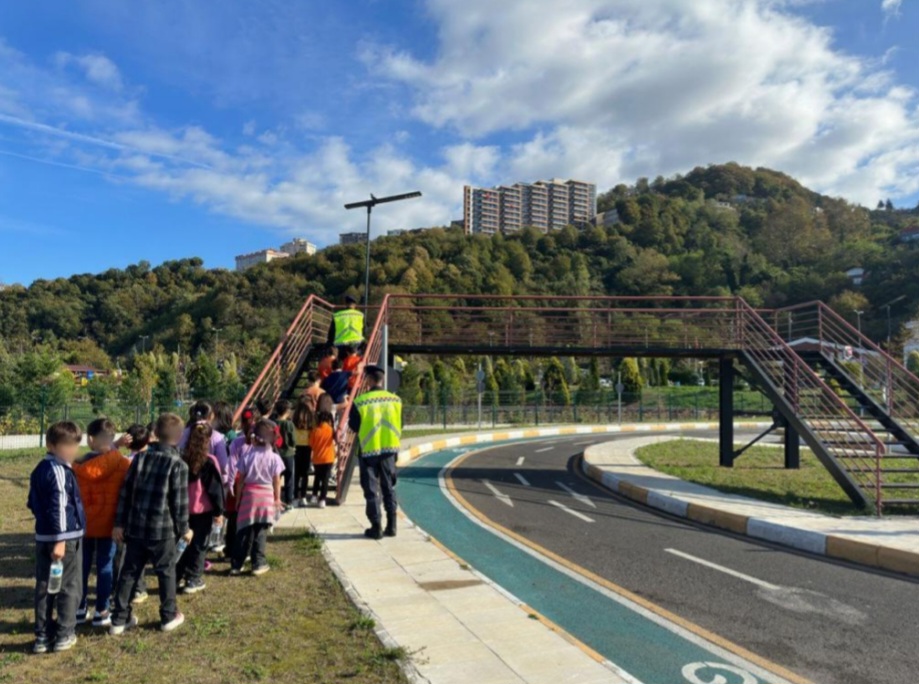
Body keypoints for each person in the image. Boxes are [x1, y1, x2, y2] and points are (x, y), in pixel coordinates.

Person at [110, 413, 191, 635]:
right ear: (179, 436)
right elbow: (180, 503)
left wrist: (119, 523)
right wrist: (185, 529)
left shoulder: (140, 459)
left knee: (129, 572)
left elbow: (125, 493)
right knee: (166, 572)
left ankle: (118, 619)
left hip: (135, 527)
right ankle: (168, 616)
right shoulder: (178, 465)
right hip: (162, 531)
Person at [27, 421, 86, 654]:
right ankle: (63, 634)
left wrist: (45, 530)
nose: (72, 451)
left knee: (45, 586)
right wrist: (59, 540)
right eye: (67, 446)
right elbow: (59, 508)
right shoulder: (59, 471)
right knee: (68, 587)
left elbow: (32, 502)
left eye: (75, 445)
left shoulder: (39, 469)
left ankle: (42, 636)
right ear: (51, 445)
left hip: (44, 537)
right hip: (65, 540)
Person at [72, 418, 132, 628]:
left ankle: (79, 608)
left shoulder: (77, 465)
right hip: (110, 525)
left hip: (84, 524)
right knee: (106, 566)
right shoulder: (123, 463)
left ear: (90, 439)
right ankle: (102, 610)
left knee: (82, 566)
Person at [349, 366, 402, 540]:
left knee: (371, 490)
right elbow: (401, 424)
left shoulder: (360, 402)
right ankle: (392, 526)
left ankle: (376, 526)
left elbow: (354, 426)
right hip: (389, 451)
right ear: (382, 380)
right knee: (389, 487)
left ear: (369, 380)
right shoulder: (395, 400)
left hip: (368, 452)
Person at [231, 419, 284, 576]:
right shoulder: (275, 459)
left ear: (254, 437)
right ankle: (258, 562)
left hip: (249, 496)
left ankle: (237, 564)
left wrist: (238, 499)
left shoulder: (247, 457)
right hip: (266, 496)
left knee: (243, 531)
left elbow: (240, 481)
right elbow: (277, 481)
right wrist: (277, 498)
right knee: (260, 531)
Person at [176, 421, 224, 594]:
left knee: (181, 543)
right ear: (208, 440)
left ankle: (175, 577)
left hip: (181, 510)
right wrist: (219, 512)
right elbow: (215, 490)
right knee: (199, 546)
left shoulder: (180, 458)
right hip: (202, 511)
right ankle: (193, 579)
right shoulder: (209, 462)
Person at [116, 424, 151, 605]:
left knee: (126, 555)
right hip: (145, 515)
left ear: (128, 442)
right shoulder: (155, 460)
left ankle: (128, 588)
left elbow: (105, 456)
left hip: (126, 513)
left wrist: (116, 444)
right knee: (138, 554)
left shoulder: (125, 461)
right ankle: (139, 588)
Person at [225, 407, 261, 560]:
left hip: (237, 483)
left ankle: (230, 550)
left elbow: (231, 464)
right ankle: (247, 550)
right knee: (251, 520)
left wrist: (230, 483)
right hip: (254, 484)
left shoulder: (236, 442)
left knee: (233, 519)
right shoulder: (260, 444)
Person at [178, 401, 229, 480]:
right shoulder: (217, 437)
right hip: (209, 483)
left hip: (186, 479)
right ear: (211, 416)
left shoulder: (183, 433)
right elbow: (223, 466)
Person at [309, 410, 336, 508]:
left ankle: (314, 496)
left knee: (317, 477)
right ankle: (322, 499)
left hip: (317, 458)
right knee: (325, 479)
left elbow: (311, 444)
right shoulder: (331, 430)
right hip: (328, 458)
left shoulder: (315, 430)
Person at [273, 399, 296, 507]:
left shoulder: (273, 424)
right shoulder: (289, 424)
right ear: (287, 411)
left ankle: (274, 498)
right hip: (288, 454)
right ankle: (288, 501)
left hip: (276, 453)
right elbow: (293, 441)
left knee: (276, 477)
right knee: (289, 478)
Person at [292, 397, 314, 508]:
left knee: (296, 473)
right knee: (305, 474)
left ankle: (295, 496)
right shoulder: (310, 417)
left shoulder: (294, 416)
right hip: (307, 446)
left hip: (296, 447)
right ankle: (303, 497)